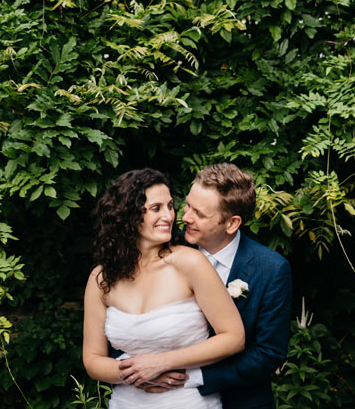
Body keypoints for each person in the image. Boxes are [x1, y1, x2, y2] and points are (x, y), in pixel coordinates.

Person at [83, 168, 245, 408]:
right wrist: (134, 373)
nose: (169, 216)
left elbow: (233, 337)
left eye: (170, 206)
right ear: (127, 214)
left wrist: (161, 363)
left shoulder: (190, 263)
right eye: (156, 208)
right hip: (127, 401)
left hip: (187, 400)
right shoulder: (101, 278)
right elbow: (92, 359)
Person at [140, 164, 293, 409]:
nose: (185, 217)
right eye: (187, 205)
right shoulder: (165, 250)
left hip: (240, 403)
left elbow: (267, 354)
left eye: (199, 214)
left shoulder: (271, 270)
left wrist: (191, 378)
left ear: (231, 223)